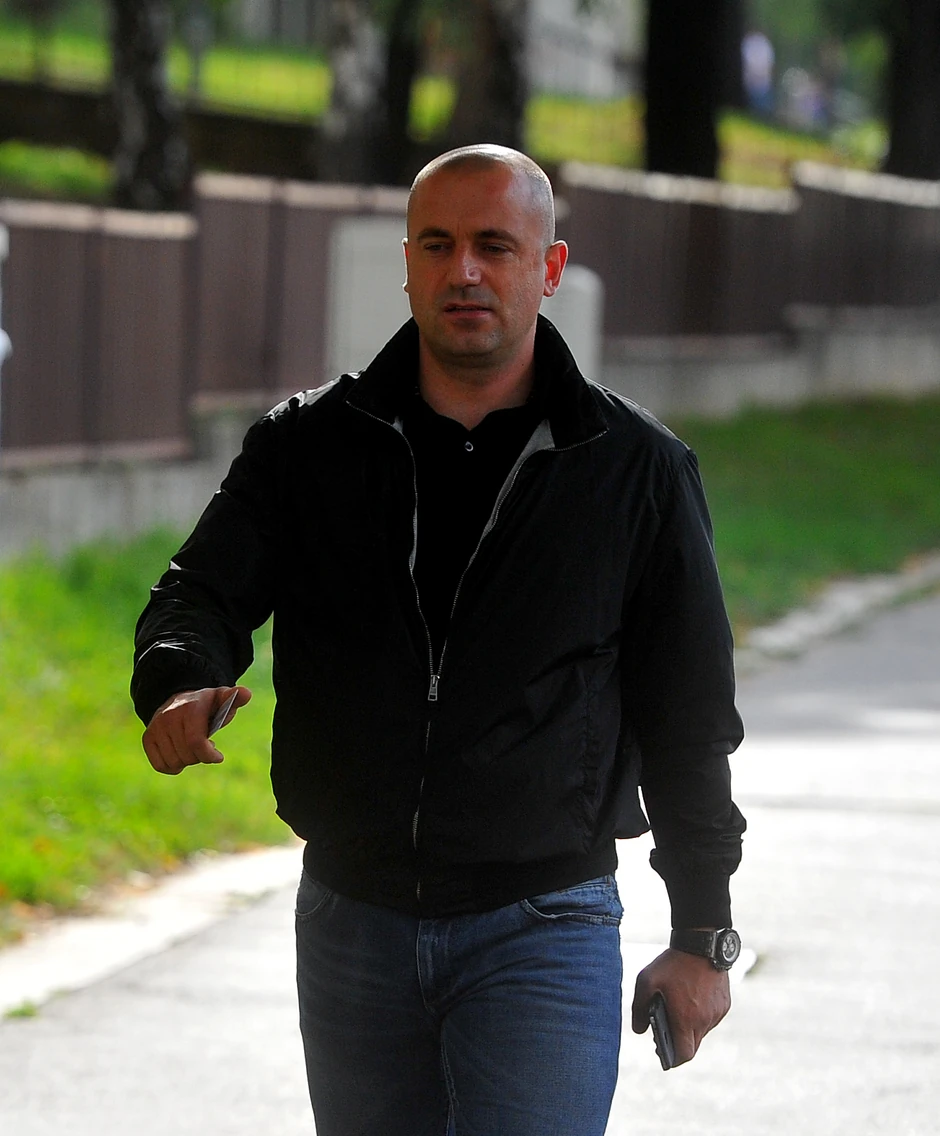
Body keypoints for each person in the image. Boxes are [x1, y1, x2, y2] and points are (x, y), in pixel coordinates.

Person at [132, 144, 746, 1136]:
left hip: (543, 925)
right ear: (409, 264)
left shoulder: (634, 470)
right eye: (438, 244)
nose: (464, 270)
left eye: (494, 246)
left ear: (548, 267)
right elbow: (198, 592)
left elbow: (690, 717)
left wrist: (702, 932)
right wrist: (177, 678)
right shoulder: (308, 445)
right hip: (351, 919)